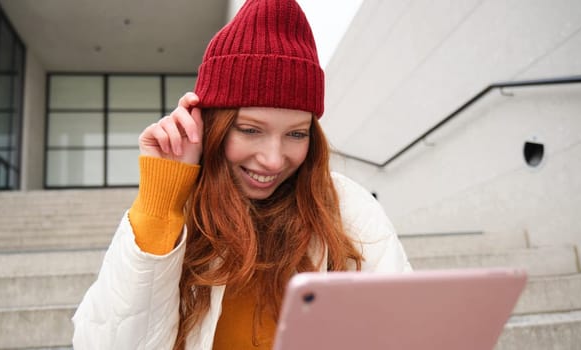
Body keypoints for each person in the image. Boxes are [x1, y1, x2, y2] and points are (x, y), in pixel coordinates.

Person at [72, 0, 412, 348]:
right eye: (250, 130)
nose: (273, 160)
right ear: (211, 127)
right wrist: (160, 202)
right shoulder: (175, 212)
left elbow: (402, 330)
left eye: (296, 134)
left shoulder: (347, 207)